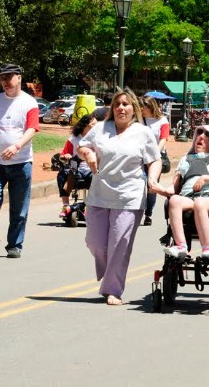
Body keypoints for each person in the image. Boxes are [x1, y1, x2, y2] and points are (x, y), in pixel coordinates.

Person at [77, 89, 161, 305]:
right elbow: (82, 145)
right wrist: (89, 153)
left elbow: (154, 160)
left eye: (126, 104)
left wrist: (152, 179)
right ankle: (110, 270)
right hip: (99, 195)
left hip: (129, 196)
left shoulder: (143, 133)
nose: (121, 108)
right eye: (117, 104)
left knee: (119, 245)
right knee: (95, 243)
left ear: (134, 108)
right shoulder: (101, 129)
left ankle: (112, 289)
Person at [149, 125, 209, 260]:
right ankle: (181, 246)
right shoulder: (185, 160)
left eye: (207, 134)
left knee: (200, 202)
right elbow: (173, 189)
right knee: (174, 200)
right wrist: (160, 189)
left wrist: (205, 178)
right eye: (199, 132)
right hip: (189, 197)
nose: (201, 136)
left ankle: (207, 248)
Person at [0, 64, 40, 258]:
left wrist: (17, 146)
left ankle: (14, 245)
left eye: (9, 77)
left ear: (19, 78)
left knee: (19, 208)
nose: (5, 82)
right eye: (2, 78)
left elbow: (32, 129)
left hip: (22, 163)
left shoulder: (30, 103)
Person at [57, 114, 97, 217]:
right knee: (62, 174)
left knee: (97, 177)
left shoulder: (98, 139)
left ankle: (90, 205)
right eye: (93, 124)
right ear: (85, 126)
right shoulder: (73, 139)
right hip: (76, 169)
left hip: (92, 169)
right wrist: (66, 155)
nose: (96, 127)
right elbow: (63, 155)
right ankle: (65, 205)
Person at [141, 96, 171, 226]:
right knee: (139, 182)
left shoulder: (162, 120)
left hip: (155, 158)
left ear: (150, 107)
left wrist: (155, 154)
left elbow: (164, 138)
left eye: (143, 107)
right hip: (141, 157)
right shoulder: (140, 120)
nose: (141, 109)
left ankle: (148, 213)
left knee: (151, 186)